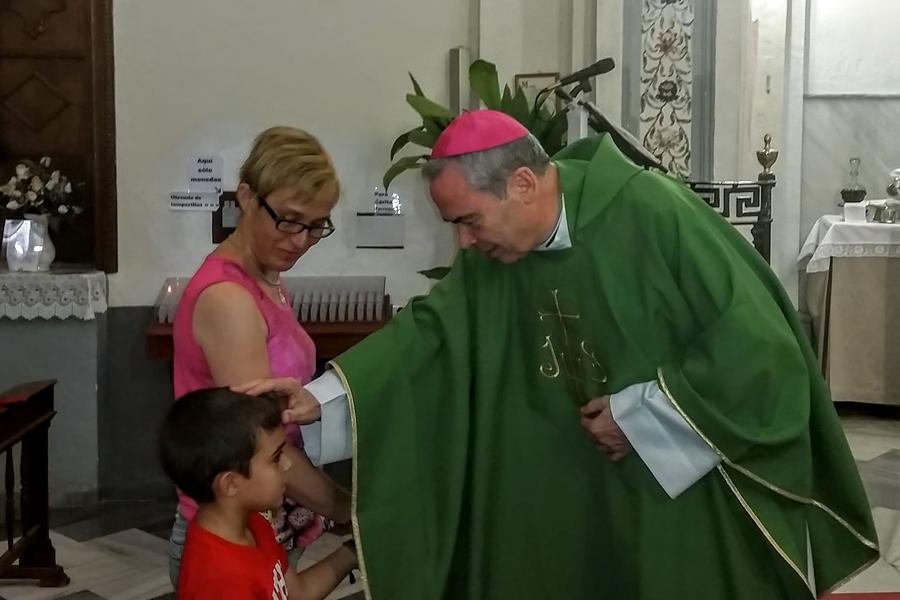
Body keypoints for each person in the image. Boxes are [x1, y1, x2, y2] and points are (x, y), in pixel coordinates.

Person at [248, 110, 879, 599]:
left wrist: (642, 415)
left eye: (469, 220)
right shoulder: (496, 256)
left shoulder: (653, 213)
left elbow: (756, 345)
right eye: (453, 228)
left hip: (670, 495)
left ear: (523, 183)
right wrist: (320, 396)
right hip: (552, 487)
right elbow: (430, 337)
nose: (464, 244)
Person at [168, 126, 350, 585]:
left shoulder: (267, 275)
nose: (300, 240)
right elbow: (262, 437)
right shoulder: (228, 297)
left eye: (316, 226)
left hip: (268, 515)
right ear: (247, 197)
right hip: (232, 526)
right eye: (288, 220)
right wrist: (346, 508)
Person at [159, 388, 357, 599]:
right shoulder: (221, 580)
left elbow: (296, 594)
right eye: (276, 457)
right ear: (230, 484)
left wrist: (353, 552)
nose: (287, 464)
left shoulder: (254, 523)